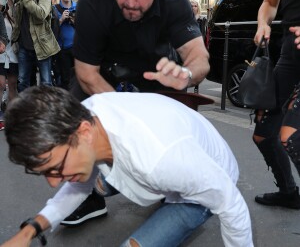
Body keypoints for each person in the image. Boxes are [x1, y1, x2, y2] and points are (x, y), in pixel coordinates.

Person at [2, 86, 253, 247]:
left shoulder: (160, 159)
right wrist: (29, 231)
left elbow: (232, 205)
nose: (54, 182)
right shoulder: (84, 115)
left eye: (56, 168)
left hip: (207, 175)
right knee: (93, 182)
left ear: (85, 132)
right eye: (45, 172)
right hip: (162, 155)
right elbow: (76, 189)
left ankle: (168, 199)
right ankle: (118, 184)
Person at [67, 0, 210, 225]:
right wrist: (128, 120)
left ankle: (169, 185)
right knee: (76, 120)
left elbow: (200, 59)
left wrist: (186, 74)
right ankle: (89, 198)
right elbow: (85, 73)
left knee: (168, 127)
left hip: (154, 70)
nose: (131, 2)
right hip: (103, 69)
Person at [252, 0, 300, 209]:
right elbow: (270, 3)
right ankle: (288, 192)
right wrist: (263, 22)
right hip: (289, 52)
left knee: (292, 137)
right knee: (264, 132)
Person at [0, 0, 60, 92]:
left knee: (46, 83)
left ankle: (46, 110)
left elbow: (40, 14)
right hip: (24, 48)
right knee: (23, 83)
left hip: (43, 48)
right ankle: (26, 110)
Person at [0, 0, 18, 131]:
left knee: (12, 84)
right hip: (0, 55)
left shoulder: (11, 16)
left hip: (12, 55)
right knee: (0, 84)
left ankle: (11, 116)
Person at [54, 0, 76, 90]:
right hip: (63, 50)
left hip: (78, 48)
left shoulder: (78, 7)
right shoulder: (55, 9)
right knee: (66, 80)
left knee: (80, 77)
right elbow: (51, 29)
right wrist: (61, 19)